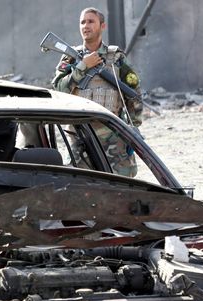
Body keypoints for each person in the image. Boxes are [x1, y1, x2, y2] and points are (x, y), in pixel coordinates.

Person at [52, 7, 142, 177]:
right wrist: (83, 66)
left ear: (102, 26)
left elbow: (133, 93)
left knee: (123, 183)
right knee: (78, 184)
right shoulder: (70, 58)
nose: (86, 25)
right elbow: (58, 89)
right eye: (82, 22)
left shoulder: (116, 58)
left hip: (112, 135)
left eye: (91, 21)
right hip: (79, 135)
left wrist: (133, 129)